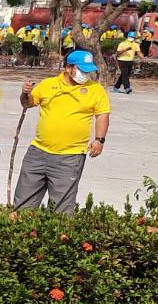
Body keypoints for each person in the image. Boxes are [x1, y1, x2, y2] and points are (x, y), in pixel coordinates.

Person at [12, 50, 109, 213]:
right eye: (82, 70)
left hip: (70, 157)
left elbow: (102, 115)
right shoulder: (48, 85)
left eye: (88, 71)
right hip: (38, 152)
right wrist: (25, 93)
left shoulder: (96, 90)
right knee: (23, 205)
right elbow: (27, 103)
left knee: (62, 210)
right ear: (68, 68)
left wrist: (99, 140)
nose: (86, 74)